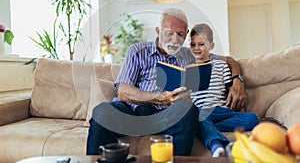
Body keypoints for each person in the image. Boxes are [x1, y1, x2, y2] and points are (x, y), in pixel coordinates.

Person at [86, 8, 247, 156]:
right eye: (169, 33)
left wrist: (237, 80)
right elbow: (122, 91)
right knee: (102, 111)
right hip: (133, 111)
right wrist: (158, 97)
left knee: (188, 109)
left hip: (167, 115)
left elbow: (228, 60)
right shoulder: (137, 50)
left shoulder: (188, 53)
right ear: (158, 31)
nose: (175, 40)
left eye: (180, 34)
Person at [188, 23, 259, 157]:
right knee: (196, 114)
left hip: (220, 111)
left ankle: (203, 128)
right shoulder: (187, 68)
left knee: (252, 118)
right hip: (199, 111)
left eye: (201, 44)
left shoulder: (221, 66)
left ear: (211, 46)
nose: (196, 48)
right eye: (193, 44)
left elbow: (230, 90)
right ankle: (217, 144)